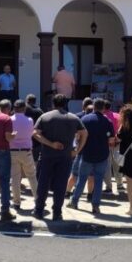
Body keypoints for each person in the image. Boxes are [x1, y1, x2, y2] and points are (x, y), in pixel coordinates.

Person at [33, 94, 87, 222]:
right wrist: (77, 150)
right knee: (61, 184)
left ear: (53, 103)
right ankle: (57, 213)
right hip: (65, 156)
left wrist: (50, 144)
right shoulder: (73, 118)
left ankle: (39, 210)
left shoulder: (45, 117)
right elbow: (84, 133)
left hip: (47, 156)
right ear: (66, 104)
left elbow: (35, 134)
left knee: (43, 183)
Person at [68, 98, 113, 214]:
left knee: (81, 179)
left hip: (86, 154)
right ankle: (95, 206)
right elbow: (111, 140)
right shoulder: (107, 121)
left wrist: (77, 148)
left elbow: (78, 136)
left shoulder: (85, 119)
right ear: (103, 108)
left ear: (94, 106)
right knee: (98, 181)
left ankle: (74, 201)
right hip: (102, 155)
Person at [9, 100, 39, 210]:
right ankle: (38, 200)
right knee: (32, 176)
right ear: (24, 108)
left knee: (15, 178)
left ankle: (16, 202)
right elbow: (31, 133)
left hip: (13, 151)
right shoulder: (30, 120)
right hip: (26, 151)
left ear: (14, 108)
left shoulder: (9, 120)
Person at [102, 100, 123, 193]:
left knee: (107, 165)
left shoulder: (102, 117)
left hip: (105, 144)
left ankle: (108, 187)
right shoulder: (118, 116)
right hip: (117, 143)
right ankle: (120, 184)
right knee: (118, 164)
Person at [24, 94, 44, 162]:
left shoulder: (23, 110)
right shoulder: (40, 111)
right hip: (36, 140)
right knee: (35, 161)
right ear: (35, 101)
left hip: (24, 140)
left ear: (27, 101)